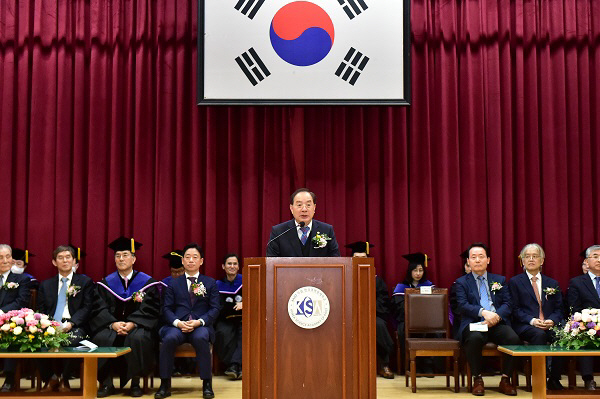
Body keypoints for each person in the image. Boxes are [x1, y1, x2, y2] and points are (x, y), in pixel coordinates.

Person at [89, 236, 162, 398]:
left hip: (137, 326)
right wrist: (112, 324)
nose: (121, 259)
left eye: (125, 255)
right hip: (112, 326)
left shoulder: (146, 283)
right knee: (101, 338)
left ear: (134, 259)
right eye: (117, 256)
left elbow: (150, 309)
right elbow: (99, 308)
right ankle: (106, 384)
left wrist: (133, 323)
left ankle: (135, 383)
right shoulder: (105, 284)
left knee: (139, 339)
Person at [155, 243, 220, 399]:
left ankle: (207, 384)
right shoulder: (173, 284)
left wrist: (200, 322)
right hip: (178, 325)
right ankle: (165, 384)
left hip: (200, 325)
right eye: (188, 257)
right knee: (169, 338)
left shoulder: (210, 283)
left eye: (195, 257)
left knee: (201, 337)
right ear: (183, 261)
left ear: (201, 261)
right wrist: (177, 322)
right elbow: (166, 309)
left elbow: (215, 308)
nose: (191, 260)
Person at [453, 242, 520, 396]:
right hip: (474, 323)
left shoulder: (500, 280)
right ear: (468, 261)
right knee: (475, 338)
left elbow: (508, 304)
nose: (477, 260)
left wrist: (495, 316)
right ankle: (477, 379)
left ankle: (505, 379)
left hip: (496, 322)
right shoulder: (461, 282)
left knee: (514, 339)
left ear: (488, 260)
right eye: (473, 257)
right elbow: (462, 305)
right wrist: (484, 313)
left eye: (481, 257)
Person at [37, 245, 94, 392]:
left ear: (74, 261)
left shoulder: (85, 282)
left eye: (68, 257)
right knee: (35, 342)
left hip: (75, 325)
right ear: (54, 262)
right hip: (49, 325)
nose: (65, 261)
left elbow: (87, 307)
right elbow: (41, 309)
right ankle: (51, 378)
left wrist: (71, 323)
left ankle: (65, 379)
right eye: (60, 258)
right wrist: (48, 325)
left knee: (71, 340)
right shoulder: (45, 284)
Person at [508, 243, 564, 390]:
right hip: (526, 325)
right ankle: (541, 377)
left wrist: (551, 320)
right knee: (539, 335)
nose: (531, 259)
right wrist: (532, 321)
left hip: (548, 323)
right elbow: (514, 309)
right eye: (527, 256)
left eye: (535, 256)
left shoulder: (552, 283)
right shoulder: (515, 282)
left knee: (562, 335)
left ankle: (555, 378)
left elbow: (559, 309)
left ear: (542, 260)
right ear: (522, 261)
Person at [347, 241, 395, 379]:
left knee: (379, 325)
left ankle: (384, 365)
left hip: (372, 314)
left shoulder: (377, 280)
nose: (359, 261)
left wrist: (368, 310)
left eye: (363, 258)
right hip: (350, 315)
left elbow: (383, 301)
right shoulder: (346, 277)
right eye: (356, 258)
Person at [392, 252, 435, 375]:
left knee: (432, 330)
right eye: (415, 270)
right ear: (410, 271)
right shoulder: (401, 287)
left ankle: (427, 365)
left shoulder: (429, 286)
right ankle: (410, 365)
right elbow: (398, 308)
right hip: (407, 321)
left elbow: (435, 307)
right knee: (404, 330)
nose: (418, 273)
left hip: (426, 322)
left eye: (421, 270)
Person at [266, 188, 340, 257]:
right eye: (299, 205)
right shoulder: (279, 232)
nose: (304, 209)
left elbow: (336, 260)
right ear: (291, 208)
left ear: (314, 208)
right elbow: (271, 263)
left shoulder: (327, 230)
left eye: (308, 205)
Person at [567, 244, 600, 390]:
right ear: (586, 261)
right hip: (588, 323)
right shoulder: (577, 282)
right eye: (595, 256)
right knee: (583, 335)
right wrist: (590, 320)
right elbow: (575, 309)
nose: (599, 260)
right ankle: (588, 379)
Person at [0, 244, 32, 392]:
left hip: (11, 320)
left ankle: (9, 378)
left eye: (8, 256)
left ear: (12, 258)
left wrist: (2, 312)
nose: (5, 260)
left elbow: (22, 301)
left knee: (13, 334)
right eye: (0, 257)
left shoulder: (22, 279)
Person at [214, 253, 243, 380]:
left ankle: (234, 365)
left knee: (246, 333)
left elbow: (258, 298)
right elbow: (216, 307)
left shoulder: (247, 280)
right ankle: (237, 366)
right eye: (229, 264)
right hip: (225, 319)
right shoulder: (217, 285)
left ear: (238, 267)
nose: (232, 266)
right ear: (223, 267)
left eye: (235, 264)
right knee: (222, 333)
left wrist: (246, 302)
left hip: (244, 318)